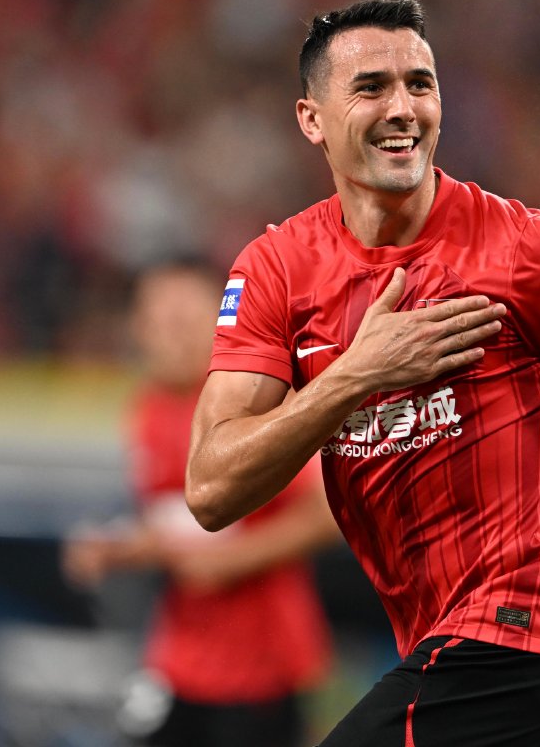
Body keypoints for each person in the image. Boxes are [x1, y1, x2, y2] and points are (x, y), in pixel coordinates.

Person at [185, 0, 540, 747]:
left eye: (420, 83)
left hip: (525, 639)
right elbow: (211, 490)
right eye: (371, 87)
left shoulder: (539, 254)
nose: (403, 108)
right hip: (438, 650)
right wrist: (356, 375)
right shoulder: (276, 272)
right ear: (312, 119)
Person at [63, 259, 339, 746]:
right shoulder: (148, 409)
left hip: (262, 664)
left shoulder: (258, 401)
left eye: (186, 321)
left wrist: (229, 563)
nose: (173, 338)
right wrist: (116, 549)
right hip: (177, 656)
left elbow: (327, 514)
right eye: (159, 322)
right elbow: (180, 522)